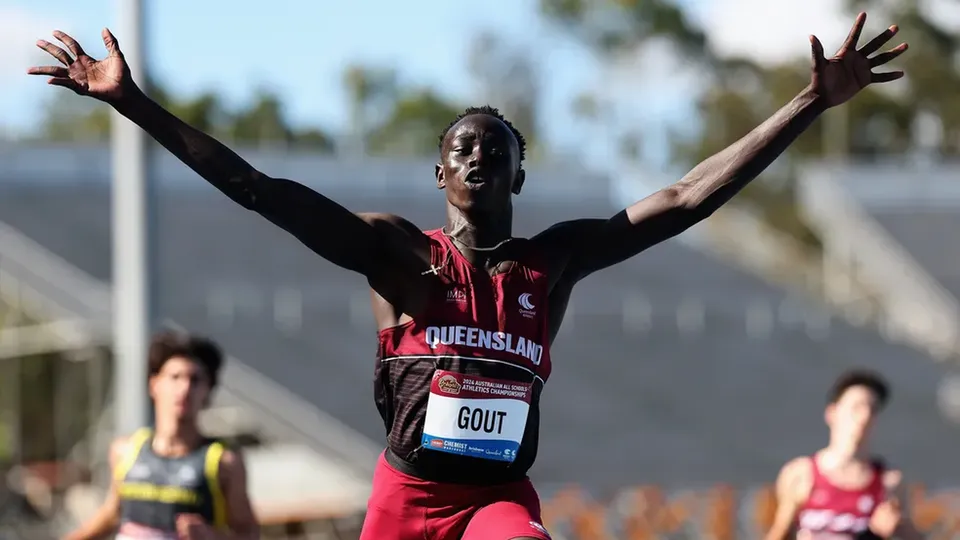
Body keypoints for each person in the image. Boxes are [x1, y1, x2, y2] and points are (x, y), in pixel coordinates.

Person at [29, 13, 907, 540]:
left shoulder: (551, 261)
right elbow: (256, 189)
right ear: (438, 175)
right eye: (462, 147)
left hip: (494, 499)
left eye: (497, 148)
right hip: (406, 494)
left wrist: (805, 104)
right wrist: (130, 101)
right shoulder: (395, 253)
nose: (478, 154)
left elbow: (685, 198)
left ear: (519, 175)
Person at [63, 331, 258, 540]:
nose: (184, 389)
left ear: (208, 391)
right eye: (175, 377)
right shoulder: (126, 451)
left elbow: (249, 533)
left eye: (195, 380)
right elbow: (112, 515)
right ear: (154, 384)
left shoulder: (224, 462)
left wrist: (210, 537)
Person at [764, 369, 921, 540]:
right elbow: (779, 534)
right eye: (856, 407)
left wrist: (896, 528)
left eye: (872, 409)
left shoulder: (889, 483)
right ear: (832, 413)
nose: (864, 417)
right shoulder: (800, 474)